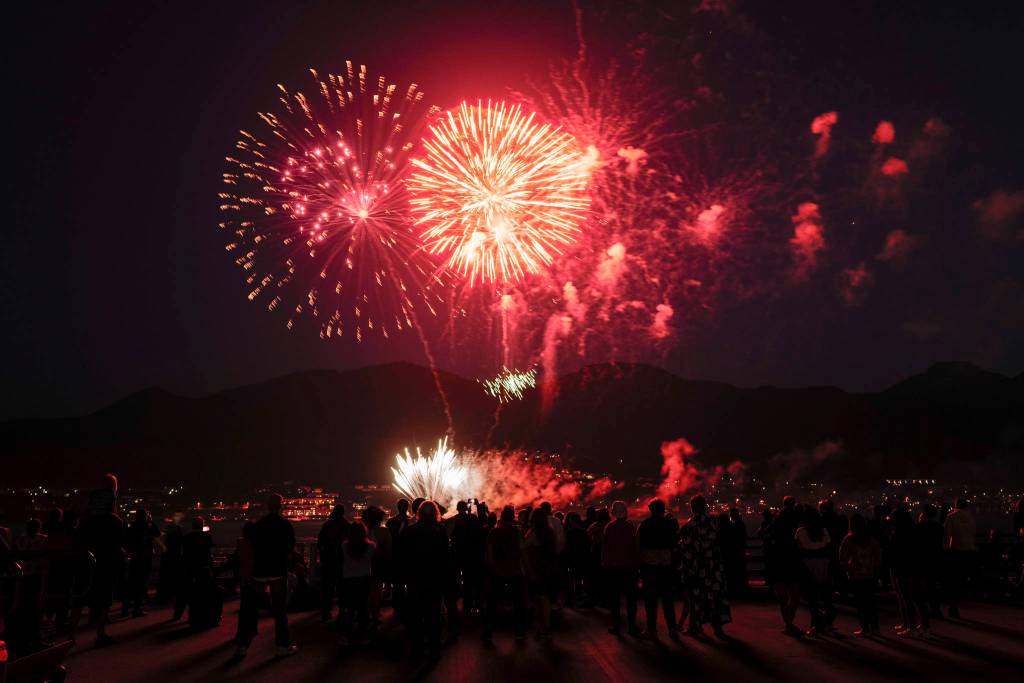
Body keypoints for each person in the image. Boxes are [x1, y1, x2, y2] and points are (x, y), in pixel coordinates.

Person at [236, 494, 297, 658]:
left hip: (259, 572)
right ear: (281, 506)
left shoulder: (259, 525)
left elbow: (252, 547)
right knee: (280, 611)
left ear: (267, 506)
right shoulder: (285, 525)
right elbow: (290, 548)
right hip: (278, 571)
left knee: (250, 610)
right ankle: (282, 646)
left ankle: (242, 645)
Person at [69, 481, 125, 648]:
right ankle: (100, 635)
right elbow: (119, 543)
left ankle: (70, 636)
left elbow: (76, 542)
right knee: (104, 601)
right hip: (105, 564)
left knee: (79, 600)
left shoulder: (84, 521)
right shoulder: (114, 521)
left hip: (84, 565)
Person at [400, 500, 451, 659]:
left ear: (419, 513)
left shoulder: (411, 530)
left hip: (416, 580)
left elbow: (405, 557)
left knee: (416, 617)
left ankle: (417, 650)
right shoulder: (440, 531)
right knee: (433, 617)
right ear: (436, 513)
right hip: (435, 580)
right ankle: (434, 650)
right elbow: (446, 558)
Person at [679, 495, 731, 636]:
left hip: (698, 567)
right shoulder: (713, 521)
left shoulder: (690, 525)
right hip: (714, 566)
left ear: (692, 507)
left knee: (696, 597)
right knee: (715, 596)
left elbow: (686, 548)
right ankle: (718, 627)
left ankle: (695, 627)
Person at [482, 505, 526, 641]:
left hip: (498, 571)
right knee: (519, 604)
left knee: (492, 604)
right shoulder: (517, 532)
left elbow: (489, 554)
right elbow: (521, 550)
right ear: (513, 517)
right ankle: (519, 633)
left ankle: (488, 633)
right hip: (514, 570)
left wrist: (491, 568)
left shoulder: (494, 532)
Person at [636, 499, 678, 639]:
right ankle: (672, 628)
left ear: (651, 510)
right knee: (668, 600)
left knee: (651, 600)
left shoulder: (644, 525)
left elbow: (639, 545)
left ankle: (652, 630)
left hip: (650, 567)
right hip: (666, 566)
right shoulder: (669, 524)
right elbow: (674, 542)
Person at [890, 508, 932, 638]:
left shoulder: (896, 534)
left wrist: (895, 572)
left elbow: (894, 555)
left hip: (903, 570)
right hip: (917, 569)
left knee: (907, 600)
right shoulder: (917, 531)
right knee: (920, 600)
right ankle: (926, 628)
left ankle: (911, 627)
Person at [764, 496, 803, 636]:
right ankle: (789, 622)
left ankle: (787, 623)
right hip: (793, 557)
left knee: (782, 596)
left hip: (779, 558)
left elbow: (766, 533)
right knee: (794, 594)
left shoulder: (777, 518)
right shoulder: (797, 518)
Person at [602, 501, 640, 636]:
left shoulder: (609, 527)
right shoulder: (631, 527)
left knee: (615, 599)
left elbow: (605, 549)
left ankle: (616, 626)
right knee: (631, 600)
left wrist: (605, 564)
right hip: (630, 568)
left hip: (613, 569)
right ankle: (631, 627)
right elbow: (635, 548)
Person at [839, 514, 881, 635]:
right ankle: (875, 627)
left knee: (860, 602)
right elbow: (878, 558)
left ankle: (865, 628)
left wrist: (848, 568)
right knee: (871, 601)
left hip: (855, 575)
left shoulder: (849, 539)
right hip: (869, 575)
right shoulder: (871, 540)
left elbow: (842, 557)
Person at [795, 507, 834, 636]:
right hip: (824, 564)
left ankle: (815, 625)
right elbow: (828, 547)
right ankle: (828, 624)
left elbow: (798, 548)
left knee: (812, 598)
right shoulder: (824, 531)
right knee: (826, 597)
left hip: (807, 565)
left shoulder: (800, 531)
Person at [523, 507, 557, 639]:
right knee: (546, 598)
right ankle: (546, 625)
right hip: (548, 568)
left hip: (536, 568)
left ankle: (540, 626)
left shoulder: (534, 533)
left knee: (537, 598)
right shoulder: (550, 532)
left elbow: (524, 546)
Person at [339, 521, 375, 644]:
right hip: (364, 578)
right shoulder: (371, 547)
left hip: (348, 579)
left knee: (349, 609)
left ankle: (346, 636)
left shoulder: (344, 546)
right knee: (363, 608)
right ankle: (363, 635)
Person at [122, 509, 159, 618]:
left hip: (134, 558)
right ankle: (136, 609)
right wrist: (151, 521)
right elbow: (157, 533)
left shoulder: (132, 527)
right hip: (144, 558)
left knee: (131, 583)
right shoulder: (147, 526)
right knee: (141, 584)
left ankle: (125, 608)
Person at [450, 500, 484, 617]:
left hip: (457, 553)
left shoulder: (454, 519)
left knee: (457, 580)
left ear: (457, 508)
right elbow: (479, 531)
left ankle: (458, 606)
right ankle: (469, 605)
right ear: (466, 508)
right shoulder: (472, 518)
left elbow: (450, 535)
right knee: (469, 580)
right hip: (470, 554)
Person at [943, 497, 976, 618]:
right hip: (970, 551)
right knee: (963, 579)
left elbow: (947, 535)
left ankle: (953, 606)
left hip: (956, 551)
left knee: (953, 580)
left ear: (955, 505)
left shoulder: (951, 517)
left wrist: (945, 549)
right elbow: (973, 533)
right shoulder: (970, 517)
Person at [317, 502, 349, 622]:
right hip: (342, 561)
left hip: (329, 561)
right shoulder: (346, 525)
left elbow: (320, 543)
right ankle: (342, 611)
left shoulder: (327, 525)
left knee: (327, 588)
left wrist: (324, 556)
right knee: (342, 588)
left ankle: (326, 612)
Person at [363, 507, 392, 625]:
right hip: (379, 565)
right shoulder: (384, 532)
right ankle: (375, 614)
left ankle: (366, 614)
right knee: (377, 591)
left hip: (363, 565)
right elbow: (389, 550)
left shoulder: (361, 531)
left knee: (366, 592)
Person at [917, 504, 945, 619]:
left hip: (924, 559)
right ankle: (936, 609)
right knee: (932, 585)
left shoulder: (920, 527)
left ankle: (928, 610)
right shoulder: (939, 527)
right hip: (936, 558)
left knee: (925, 586)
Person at [386, 499, 412, 620]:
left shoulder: (390, 522)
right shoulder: (411, 522)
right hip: (408, 556)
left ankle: (397, 609)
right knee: (410, 584)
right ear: (407, 507)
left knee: (397, 585)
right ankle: (408, 608)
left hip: (395, 556)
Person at [156, 511, 185, 603]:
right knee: (171, 573)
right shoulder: (174, 528)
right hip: (172, 553)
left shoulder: (174, 527)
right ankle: (168, 594)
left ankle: (166, 594)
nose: (179, 517)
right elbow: (158, 536)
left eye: (179, 516)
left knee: (168, 573)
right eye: (177, 515)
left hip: (171, 553)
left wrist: (163, 546)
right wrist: (163, 546)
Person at [586, 507, 611, 607]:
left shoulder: (597, 525)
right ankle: (605, 598)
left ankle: (596, 598)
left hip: (597, 550)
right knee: (605, 575)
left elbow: (587, 534)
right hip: (608, 549)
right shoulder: (609, 524)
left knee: (596, 574)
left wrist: (593, 542)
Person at [728, 508, 749, 596]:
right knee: (741, 567)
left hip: (737, 550)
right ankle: (742, 585)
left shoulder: (736, 524)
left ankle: (738, 586)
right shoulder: (741, 524)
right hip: (740, 549)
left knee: (738, 567)